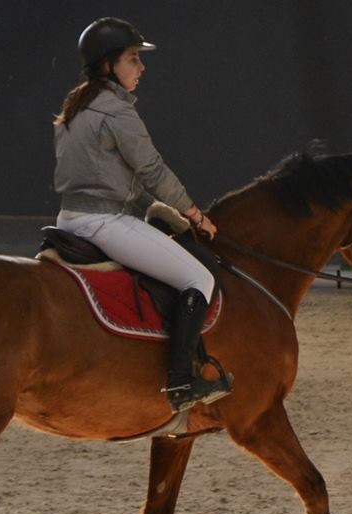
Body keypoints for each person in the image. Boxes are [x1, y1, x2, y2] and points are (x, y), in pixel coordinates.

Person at [53, 17, 233, 413]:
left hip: (70, 218)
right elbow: (151, 171)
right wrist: (194, 214)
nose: (141, 67)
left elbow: (101, 175)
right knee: (198, 278)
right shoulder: (116, 111)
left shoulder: (76, 104)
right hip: (103, 223)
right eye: (133, 59)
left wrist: (149, 209)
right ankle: (181, 383)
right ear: (107, 65)